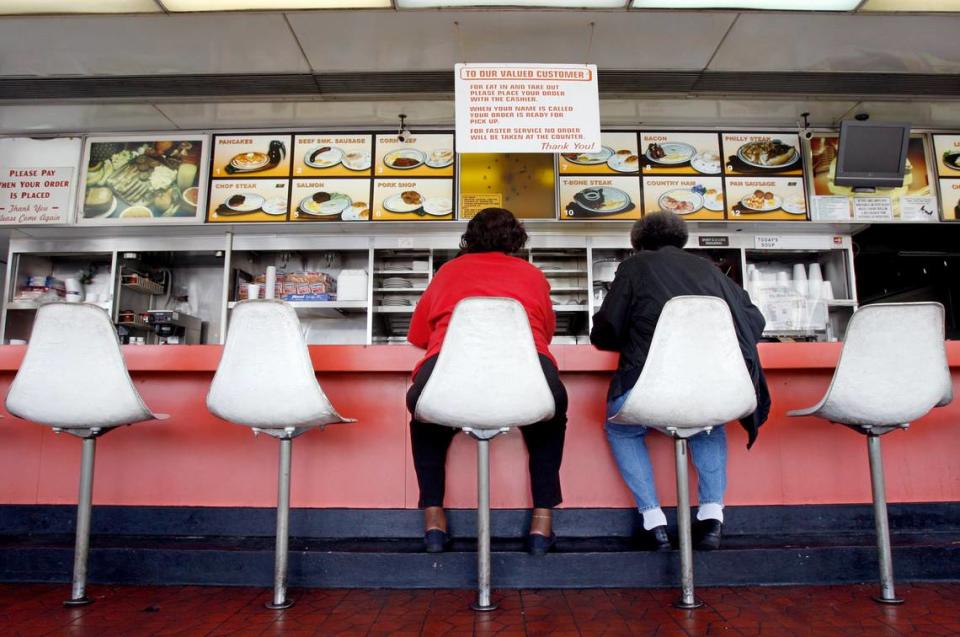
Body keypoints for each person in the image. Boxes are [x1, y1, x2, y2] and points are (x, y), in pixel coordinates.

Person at [591, 211, 769, 552]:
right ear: (682, 240)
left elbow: (608, 328)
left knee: (621, 428)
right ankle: (712, 516)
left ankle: (653, 521)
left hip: (646, 387)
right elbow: (754, 322)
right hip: (713, 388)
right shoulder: (711, 270)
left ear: (638, 242)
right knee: (709, 422)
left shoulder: (634, 266)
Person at [406, 208, 568, 556]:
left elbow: (418, 334)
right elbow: (548, 334)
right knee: (550, 417)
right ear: (516, 239)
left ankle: (434, 520)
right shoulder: (533, 275)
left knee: (427, 419)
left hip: (447, 378)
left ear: (470, 237)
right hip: (529, 377)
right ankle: (542, 523)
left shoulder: (447, 272)